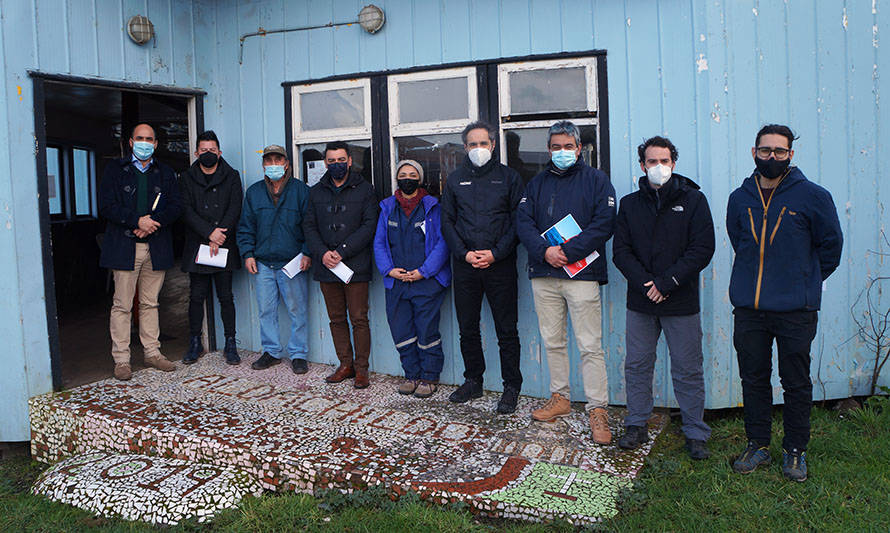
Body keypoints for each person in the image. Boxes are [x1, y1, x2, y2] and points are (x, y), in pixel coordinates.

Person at [727, 124, 843, 482]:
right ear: (754, 153)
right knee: (754, 379)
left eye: (780, 151)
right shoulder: (739, 197)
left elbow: (831, 247)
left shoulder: (813, 196)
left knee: (795, 382)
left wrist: (804, 281)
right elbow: (739, 241)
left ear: (791, 155)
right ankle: (758, 443)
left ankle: (795, 450)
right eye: (766, 151)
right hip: (750, 309)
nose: (772, 157)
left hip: (796, 310)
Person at [612, 136, 715, 459]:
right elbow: (621, 252)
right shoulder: (630, 204)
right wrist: (646, 283)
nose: (659, 167)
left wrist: (668, 282)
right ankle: (637, 423)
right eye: (652, 162)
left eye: (665, 161)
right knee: (638, 364)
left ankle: (695, 432)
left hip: (680, 300)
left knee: (688, 368)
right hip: (641, 301)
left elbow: (702, 248)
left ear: (674, 163)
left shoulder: (694, 200)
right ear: (642, 166)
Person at [515, 120, 616, 444]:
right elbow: (523, 221)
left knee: (590, 345)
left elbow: (604, 223)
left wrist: (568, 252)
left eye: (567, 146)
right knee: (552, 340)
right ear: (549, 150)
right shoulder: (536, 184)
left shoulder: (597, 181)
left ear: (579, 147)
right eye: (556, 147)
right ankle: (559, 398)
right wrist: (545, 251)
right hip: (545, 274)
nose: (562, 152)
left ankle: (598, 409)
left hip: (581, 274)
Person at [440, 120, 524, 414]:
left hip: (500, 266)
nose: (478, 149)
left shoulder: (510, 178)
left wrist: (496, 253)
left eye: (483, 143)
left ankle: (511, 386)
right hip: (465, 267)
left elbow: (518, 222)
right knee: (467, 328)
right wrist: (464, 254)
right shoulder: (454, 180)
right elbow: (447, 222)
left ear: (493, 145)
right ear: (465, 147)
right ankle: (473, 380)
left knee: (506, 330)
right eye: (472, 144)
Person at [98, 123, 182, 380]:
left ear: (156, 144)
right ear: (131, 142)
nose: (145, 143)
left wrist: (150, 224)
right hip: (125, 246)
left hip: (155, 246)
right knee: (122, 305)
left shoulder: (165, 172)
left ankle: (152, 353)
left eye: (149, 139)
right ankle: (122, 359)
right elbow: (107, 205)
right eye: (140, 138)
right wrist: (136, 221)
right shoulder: (115, 170)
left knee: (150, 303)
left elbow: (175, 206)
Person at [303, 141, 378, 388]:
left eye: (341, 160)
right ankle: (345, 364)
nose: (336, 164)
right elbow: (309, 226)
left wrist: (343, 251)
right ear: (326, 163)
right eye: (331, 161)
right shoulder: (315, 191)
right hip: (326, 266)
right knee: (336, 318)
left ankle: (362, 369)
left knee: (359, 318)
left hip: (355, 265)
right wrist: (323, 253)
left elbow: (369, 225)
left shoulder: (365, 189)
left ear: (349, 161)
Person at [373, 161, 451, 398]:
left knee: (427, 330)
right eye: (403, 174)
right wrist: (388, 270)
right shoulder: (388, 207)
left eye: (412, 174)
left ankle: (429, 376)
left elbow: (442, 242)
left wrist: (424, 271)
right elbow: (379, 242)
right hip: (396, 282)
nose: (407, 178)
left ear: (420, 178)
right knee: (401, 329)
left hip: (425, 281)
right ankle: (411, 374)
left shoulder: (433, 207)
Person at [236, 145, 312, 374]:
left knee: (297, 310)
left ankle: (298, 354)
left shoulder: (301, 191)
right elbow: (246, 226)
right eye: (268, 161)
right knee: (266, 311)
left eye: (278, 160)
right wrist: (248, 253)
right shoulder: (254, 192)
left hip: (293, 262)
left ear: (286, 164)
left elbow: (310, 226)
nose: (273, 165)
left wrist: (307, 252)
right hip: (263, 264)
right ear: (263, 166)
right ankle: (271, 351)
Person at [179, 130, 243, 365]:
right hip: (199, 245)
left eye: (212, 150)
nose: (208, 154)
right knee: (196, 297)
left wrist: (219, 234)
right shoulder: (186, 178)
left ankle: (230, 343)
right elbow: (186, 210)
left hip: (223, 244)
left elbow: (235, 206)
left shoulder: (232, 175)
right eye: (203, 151)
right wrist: (209, 233)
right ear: (196, 153)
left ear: (220, 152)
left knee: (226, 296)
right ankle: (195, 343)